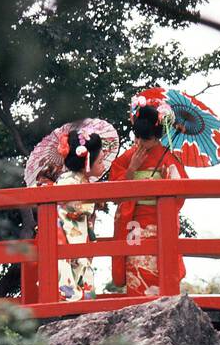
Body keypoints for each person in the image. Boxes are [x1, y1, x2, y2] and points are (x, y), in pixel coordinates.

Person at [106, 96, 188, 295]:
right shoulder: (128, 158)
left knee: (162, 269)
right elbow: (114, 194)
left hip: (160, 222)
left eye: (147, 138)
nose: (142, 142)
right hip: (134, 223)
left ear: (158, 134)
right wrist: (131, 170)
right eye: (139, 137)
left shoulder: (168, 157)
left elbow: (181, 188)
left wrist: (165, 177)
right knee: (136, 267)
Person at [55, 130, 104, 301]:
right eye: (101, 160)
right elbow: (72, 206)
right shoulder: (67, 180)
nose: (103, 164)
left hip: (78, 236)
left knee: (82, 268)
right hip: (68, 236)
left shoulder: (82, 181)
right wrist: (92, 203)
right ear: (87, 161)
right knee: (70, 273)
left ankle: (83, 300)